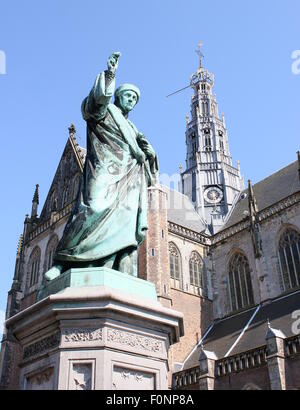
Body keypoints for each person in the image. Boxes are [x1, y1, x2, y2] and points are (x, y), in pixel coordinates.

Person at [45, 52, 158, 280]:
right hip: (104, 172)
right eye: (127, 95)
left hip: (128, 183)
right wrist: (110, 75)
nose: (131, 100)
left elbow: (148, 154)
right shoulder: (105, 112)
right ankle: (63, 261)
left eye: (134, 98)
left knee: (124, 228)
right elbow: (94, 105)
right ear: (117, 96)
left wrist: (148, 153)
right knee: (92, 208)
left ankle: (111, 266)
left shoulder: (134, 129)